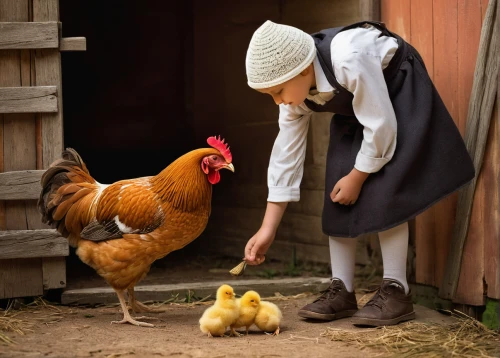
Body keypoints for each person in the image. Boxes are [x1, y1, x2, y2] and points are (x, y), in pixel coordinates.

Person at [243, 20, 475, 327]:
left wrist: (359, 176)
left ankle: (396, 290)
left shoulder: (348, 56)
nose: (278, 101)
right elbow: (285, 156)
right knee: (337, 189)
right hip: (355, 104)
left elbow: (381, 125)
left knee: (384, 187)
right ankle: (342, 290)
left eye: (278, 92)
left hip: (395, 92)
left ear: (302, 70)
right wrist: (267, 228)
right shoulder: (295, 93)